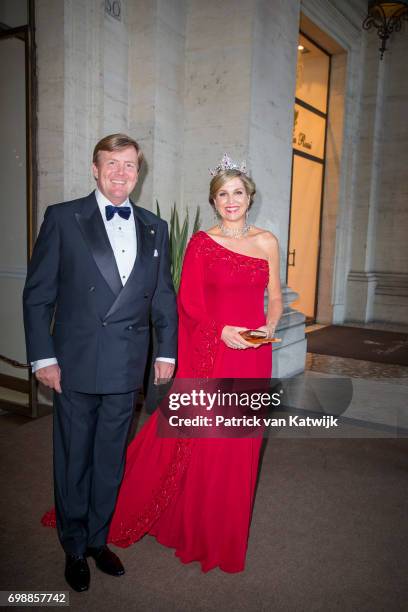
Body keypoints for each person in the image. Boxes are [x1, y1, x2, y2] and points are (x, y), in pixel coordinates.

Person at [42, 153, 283, 573]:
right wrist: (222, 330)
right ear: (213, 201)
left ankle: (223, 533)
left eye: (238, 192)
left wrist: (269, 327)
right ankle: (189, 527)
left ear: (250, 197)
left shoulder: (267, 241)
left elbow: (275, 298)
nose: (231, 200)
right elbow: (185, 303)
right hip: (216, 350)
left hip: (254, 354)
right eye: (223, 193)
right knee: (207, 445)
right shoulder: (201, 243)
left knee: (239, 445)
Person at [23, 134, 178, 592]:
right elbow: (37, 296)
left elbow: (162, 296)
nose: (120, 172)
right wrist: (43, 357)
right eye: (111, 163)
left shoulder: (156, 226)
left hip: (127, 362)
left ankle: (96, 538)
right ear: (95, 168)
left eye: (129, 165)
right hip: (74, 361)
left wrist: (165, 350)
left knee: (111, 458)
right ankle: (73, 545)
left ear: (138, 172)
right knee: (74, 457)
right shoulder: (64, 217)